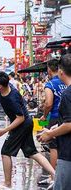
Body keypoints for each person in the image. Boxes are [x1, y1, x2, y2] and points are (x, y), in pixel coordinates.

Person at [38, 54, 71, 190]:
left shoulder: (67, 94)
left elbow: (69, 124)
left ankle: (52, 176)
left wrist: (50, 134)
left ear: (61, 71)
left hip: (68, 152)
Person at [40, 60, 66, 173]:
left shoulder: (50, 84)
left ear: (49, 69)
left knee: (53, 147)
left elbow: (48, 103)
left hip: (55, 117)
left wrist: (44, 116)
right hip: (67, 118)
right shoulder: (67, 82)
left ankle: (53, 176)